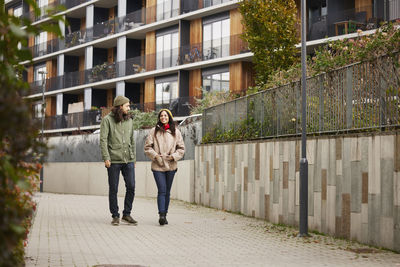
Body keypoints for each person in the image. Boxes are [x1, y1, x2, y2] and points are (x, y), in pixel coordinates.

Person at [100, 95, 137, 226]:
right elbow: (103, 140)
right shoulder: (107, 120)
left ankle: (126, 214)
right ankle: (115, 215)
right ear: (120, 106)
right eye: (127, 106)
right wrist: (106, 157)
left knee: (131, 186)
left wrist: (134, 158)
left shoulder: (129, 120)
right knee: (113, 189)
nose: (129, 108)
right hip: (113, 160)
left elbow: (132, 139)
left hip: (128, 160)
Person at [144, 109, 185, 226]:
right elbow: (147, 147)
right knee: (162, 190)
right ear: (159, 118)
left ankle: (165, 214)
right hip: (158, 166)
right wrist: (156, 156)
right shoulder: (154, 131)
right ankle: (161, 215)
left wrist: (173, 156)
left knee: (167, 191)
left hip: (171, 165)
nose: (163, 117)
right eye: (161, 116)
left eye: (165, 115)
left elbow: (181, 149)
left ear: (169, 117)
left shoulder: (176, 132)